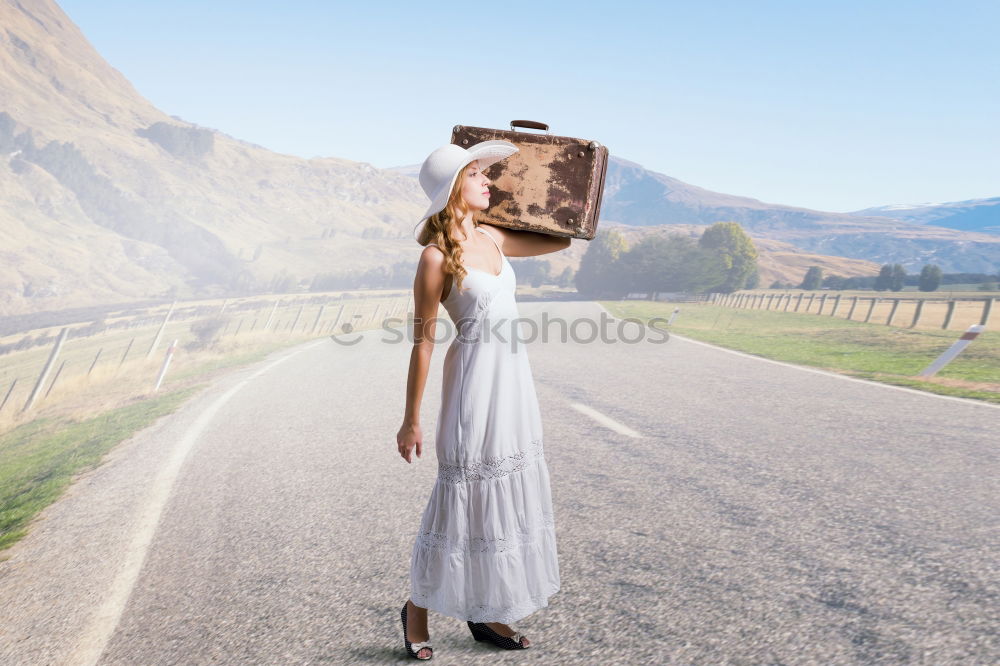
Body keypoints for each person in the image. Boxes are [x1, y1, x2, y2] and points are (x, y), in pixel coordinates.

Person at [396, 139, 571, 659]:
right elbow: (422, 342)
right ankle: (417, 610)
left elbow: (561, 241)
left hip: (513, 383)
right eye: (477, 175)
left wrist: (540, 170)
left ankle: (487, 610)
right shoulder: (434, 258)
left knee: (501, 502)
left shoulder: (495, 237)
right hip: (473, 384)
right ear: (454, 189)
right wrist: (411, 421)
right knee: (463, 500)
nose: (488, 182)